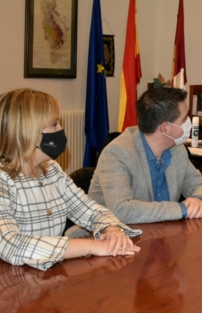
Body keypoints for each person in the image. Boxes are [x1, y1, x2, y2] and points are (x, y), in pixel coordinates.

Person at [0, 89, 141, 271]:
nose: (61, 131)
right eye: (54, 124)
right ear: (28, 132)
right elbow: (12, 245)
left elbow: (90, 211)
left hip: (48, 277)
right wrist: (91, 246)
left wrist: (112, 229)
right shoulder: (3, 180)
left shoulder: (51, 170)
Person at [89, 87, 202, 223]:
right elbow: (121, 210)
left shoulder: (177, 149)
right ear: (165, 128)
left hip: (160, 235)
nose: (189, 122)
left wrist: (199, 200)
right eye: (185, 118)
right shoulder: (117, 154)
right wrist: (182, 209)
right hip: (107, 236)